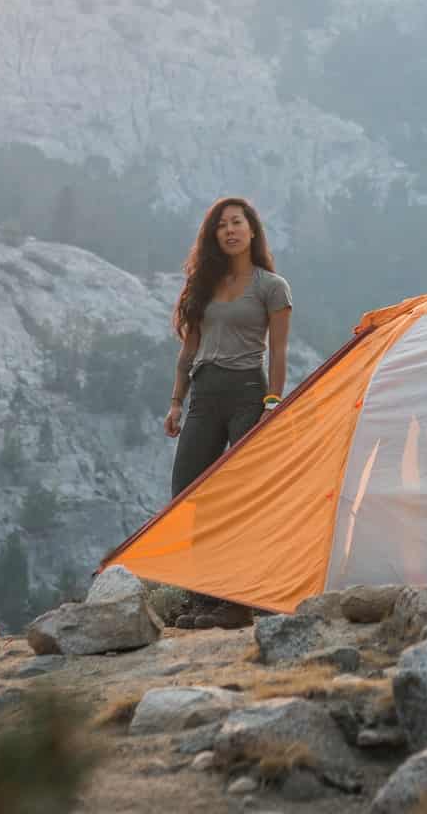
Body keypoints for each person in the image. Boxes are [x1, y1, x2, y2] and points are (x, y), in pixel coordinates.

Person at [164, 196, 292, 626]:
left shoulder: (272, 287)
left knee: (242, 497)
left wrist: (273, 401)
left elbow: (278, 351)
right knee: (188, 493)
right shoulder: (204, 286)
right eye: (221, 226)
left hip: (247, 395)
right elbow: (188, 350)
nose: (230, 230)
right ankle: (203, 597)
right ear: (213, 236)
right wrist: (176, 402)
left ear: (252, 230)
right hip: (204, 394)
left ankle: (238, 602)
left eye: (237, 222)